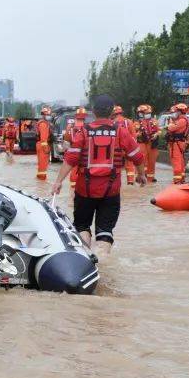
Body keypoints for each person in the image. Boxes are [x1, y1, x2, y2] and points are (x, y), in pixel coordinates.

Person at [51, 95, 145, 257]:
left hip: (84, 190)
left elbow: (70, 159)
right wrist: (141, 175)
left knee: (82, 227)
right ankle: (103, 264)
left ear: (93, 112)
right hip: (111, 191)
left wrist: (58, 182)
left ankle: (85, 261)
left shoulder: (84, 132)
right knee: (105, 232)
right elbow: (137, 156)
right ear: (111, 112)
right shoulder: (120, 131)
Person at [166, 103, 189, 183]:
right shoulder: (183, 119)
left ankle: (177, 180)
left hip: (177, 143)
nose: (175, 113)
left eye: (176, 111)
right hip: (179, 142)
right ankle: (181, 178)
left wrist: (170, 124)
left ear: (180, 111)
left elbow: (171, 128)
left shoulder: (181, 120)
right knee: (180, 161)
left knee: (176, 161)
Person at [64, 107, 88, 188]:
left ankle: (73, 188)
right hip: (84, 155)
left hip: (72, 155)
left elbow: (66, 142)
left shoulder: (70, 128)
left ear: (76, 117)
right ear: (84, 117)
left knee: (74, 171)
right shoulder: (86, 129)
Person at [135, 104, 160, 182]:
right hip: (142, 142)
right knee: (142, 159)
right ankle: (141, 175)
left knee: (152, 160)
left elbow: (159, 130)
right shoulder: (137, 122)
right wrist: (139, 133)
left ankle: (151, 177)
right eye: (146, 113)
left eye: (148, 113)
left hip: (152, 143)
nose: (148, 114)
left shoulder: (154, 121)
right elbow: (134, 133)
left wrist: (156, 134)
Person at [36, 106, 52, 181]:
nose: (49, 116)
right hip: (43, 146)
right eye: (48, 115)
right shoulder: (43, 124)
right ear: (44, 115)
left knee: (41, 165)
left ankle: (40, 180)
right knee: (43, 165)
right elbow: (43, 138)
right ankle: (42, 181)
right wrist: (46, 148)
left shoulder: (44, 123)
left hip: (41, 145)